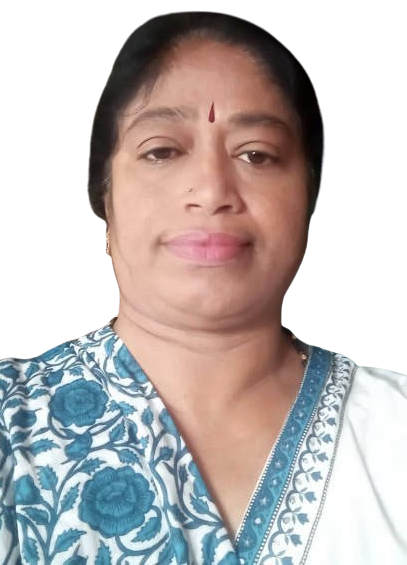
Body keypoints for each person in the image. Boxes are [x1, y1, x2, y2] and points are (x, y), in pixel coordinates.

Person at [0, 10, 406, 565]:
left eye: (256, 154)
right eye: (162, 151)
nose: (213, 190)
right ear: (103, 195)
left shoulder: (394, 430)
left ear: (310, 195)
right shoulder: (13, 426)